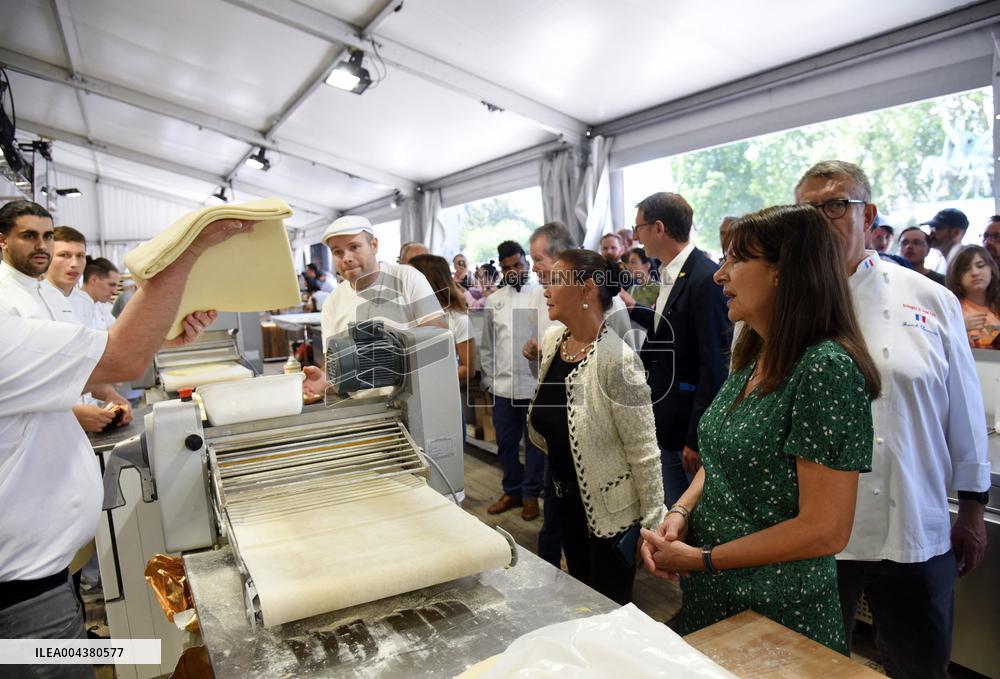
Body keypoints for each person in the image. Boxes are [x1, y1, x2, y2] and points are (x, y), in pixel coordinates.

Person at [0, 204, 252, 673]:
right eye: (30, 237)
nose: (49, 251)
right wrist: (188, 251)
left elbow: (92, 361)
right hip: (22, 598)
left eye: (49, 238)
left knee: (76, 654)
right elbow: (118, 358)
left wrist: (158, 338)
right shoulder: (5, 305)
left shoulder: (36, 297)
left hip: (44, 579)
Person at [640, 204, 880, 654]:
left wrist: (703, 558)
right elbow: (722, 459)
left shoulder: (825, 369)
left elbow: (825, 529)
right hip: (719, 594)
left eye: (735, 259)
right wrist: (681, 512)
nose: (719, 275)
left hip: (778, 611)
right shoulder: (755, 354)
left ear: (782, 272)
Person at [795, 161, 990, 679]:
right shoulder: (788, 302)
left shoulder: (930, 298)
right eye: (807, 210)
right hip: (814, 531)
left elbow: (965, 408)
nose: (820, 220)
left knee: (922, 666)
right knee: (813, 666)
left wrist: (972, 508)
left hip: (915, 520)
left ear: (867, 216)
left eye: (836, 205)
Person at [528, 249, 666, 604]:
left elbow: (644, 451)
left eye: (556, 280)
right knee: (581, 599)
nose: (546, 288)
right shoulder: (553, 341)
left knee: (609, 608)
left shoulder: (617, 361)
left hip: (609, 515)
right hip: (564, 504)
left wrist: (653, 524)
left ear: (587, 289)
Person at [521, 221, 635, 567]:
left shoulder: (611, 310)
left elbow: (624, 380)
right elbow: (549, 371)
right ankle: (551, 570)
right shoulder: (541, 301)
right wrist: (536, 357)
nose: (535, 269)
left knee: (600, 556)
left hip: (598, 444)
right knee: (558, 518)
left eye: (539, 259)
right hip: (558, 437)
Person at [622, 192, 731, 508]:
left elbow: (714, 363)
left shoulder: (704, 277)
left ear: (658, 228)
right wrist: (636, 310)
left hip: (686, 424)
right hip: (666, 413)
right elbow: (670, 327)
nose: (636, 237)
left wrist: (696, 437)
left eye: (639, 228)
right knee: (670, 504)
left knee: (687, 511)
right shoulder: (671, 271)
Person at [305, 216, 446, 398]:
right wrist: (324, 378)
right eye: (338, 252)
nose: (346, 258)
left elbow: (438, 337)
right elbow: (332, 365)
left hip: (416, 399)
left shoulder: (407, 278)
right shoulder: (332, 302)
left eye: (354, 247)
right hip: (365, 408)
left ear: (374, 245)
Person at [480, 240, 543, 521]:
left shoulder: (542, 295)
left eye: (517, 264)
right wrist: (490, 382)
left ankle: (530, 495)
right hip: (503, 388)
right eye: (507, 268)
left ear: (526, 262)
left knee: (535, 446)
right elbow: (487, 347)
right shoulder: (494, 301)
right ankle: (512, 491)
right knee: (506, 444)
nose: (513, 271)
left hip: (534, 386)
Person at [407, 254, 477, 384]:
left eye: (410, 277)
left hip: (440, 388)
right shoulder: (407, 313)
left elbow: (468, 369)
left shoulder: (458, 319)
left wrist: (427, 377)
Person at [947, 245, 1000, 350]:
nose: (975, 273)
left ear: (991, 269)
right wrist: (959, 328)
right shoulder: (952, 310)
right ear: (956, 276)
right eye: (966, 269)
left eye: (980, 266)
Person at [924, 207, 969, 276]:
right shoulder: (940, 262)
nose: (931, 233)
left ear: (956, 232)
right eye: (931, 227)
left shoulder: (968, 262)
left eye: (937, 228)